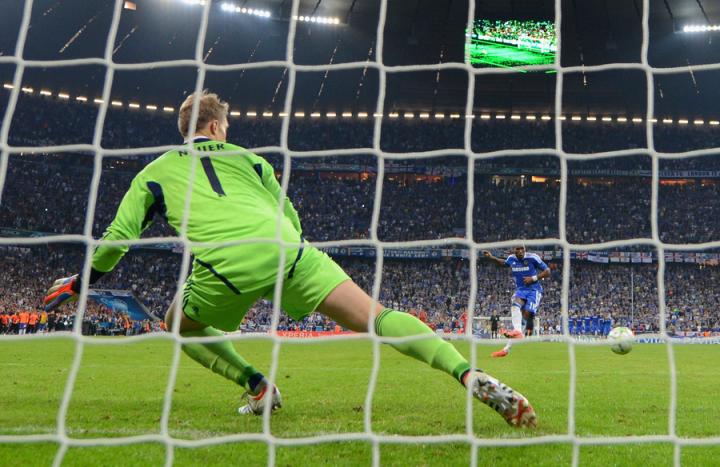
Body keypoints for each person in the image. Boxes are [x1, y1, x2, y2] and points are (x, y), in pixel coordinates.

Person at [44, 90, 535, 428]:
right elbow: (290, 215)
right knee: (377, 316)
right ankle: (467, 372)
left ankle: (258, 386)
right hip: (290, 251)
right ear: (215, 127)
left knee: (176, 323)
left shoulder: (154, 172)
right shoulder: (251, 160)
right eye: (226, 126)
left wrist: (81, 282)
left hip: (228, 265)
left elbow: (118, 237)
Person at [482, 246, 550, 358]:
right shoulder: (511, 258)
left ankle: (508, 347)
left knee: (526, 316)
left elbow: (547, 271)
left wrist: (533, 278)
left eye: (522, 250)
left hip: (534, 290)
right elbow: (503, 263)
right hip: (521, 290)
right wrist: (491, 257)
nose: (520, 252)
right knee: (515, 305)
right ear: (514, 251)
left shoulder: (533, 258)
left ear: (525, 250)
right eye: (517, 250)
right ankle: (515, 335)